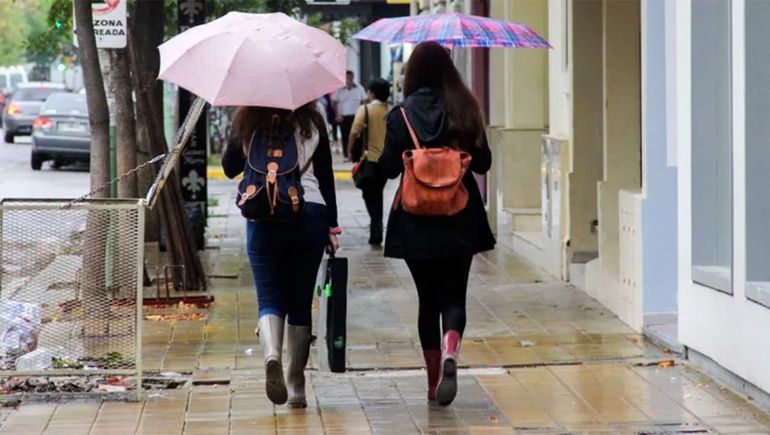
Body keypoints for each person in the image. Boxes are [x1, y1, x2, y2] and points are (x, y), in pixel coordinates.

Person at [379, 42, 495, 407]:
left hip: (415, 221)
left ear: (413, 72)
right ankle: (451, 350)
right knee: (454, 296)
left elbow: (387, 168)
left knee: (427, 300)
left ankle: (432, 384)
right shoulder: (465, 109)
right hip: (460, 217)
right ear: (449, 70)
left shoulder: (400, 115)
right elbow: (483, 164)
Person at [222, 103, 340, 409]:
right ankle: (296, 384)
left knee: (270, 296)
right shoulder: (313, 121)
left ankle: (271, 353)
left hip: (263, 214)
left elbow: (229, 167)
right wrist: (332, 225)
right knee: (300, 301)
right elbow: (325, 175)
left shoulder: (248, 120)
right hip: (310, 209)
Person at [348, 78, 390, 245]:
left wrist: (350, 151)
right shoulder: (390, 110)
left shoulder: (365, 110)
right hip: (386, 160)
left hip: (370, 159)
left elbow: (354, 132)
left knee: (369, 194)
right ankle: (376, 225)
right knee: (377, 193)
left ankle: (376, 226)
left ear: (372, 92)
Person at [333, 70, 367, 160]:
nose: (349, 79)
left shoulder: (359, 88)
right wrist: (337, 115)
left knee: (357, 136)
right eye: (347, 77)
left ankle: (356, 155)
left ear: (353, 77)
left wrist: (362, 114)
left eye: (350, 77)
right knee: (345, 136)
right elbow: (334, 102)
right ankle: (346, 155)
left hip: (356, 116)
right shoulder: (339, 89)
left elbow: (364, 100)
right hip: (343, 116)